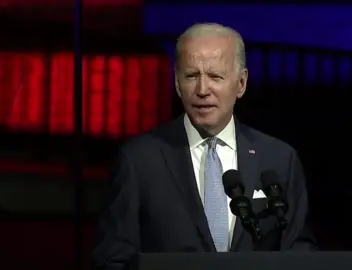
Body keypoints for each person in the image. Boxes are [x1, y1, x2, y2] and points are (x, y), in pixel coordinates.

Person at [92, 23, 316, 270]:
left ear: (241, 83)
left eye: (215, 77)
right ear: (178, 84)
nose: (202, 90)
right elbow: (111, 259)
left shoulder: (279, 159)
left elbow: (299, 253)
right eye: (191, 76)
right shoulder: (139, 161)